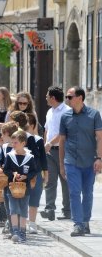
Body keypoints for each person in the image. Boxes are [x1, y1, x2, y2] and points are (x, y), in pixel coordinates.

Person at [59, 86, 102, 237]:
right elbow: (62, 141)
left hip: (90, 161)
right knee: (75, 193)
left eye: (70, 97)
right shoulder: (65, 117)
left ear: (80, 98)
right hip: (71, 161)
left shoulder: (94, 115)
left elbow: (99, 138)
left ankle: (85, 221)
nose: (67, 100)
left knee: (88, 193)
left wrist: (99, 158)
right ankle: (78, 224)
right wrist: (61, 165)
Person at [41, 86, 71, 221]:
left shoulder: (67, 112)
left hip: (63, 150)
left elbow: (63, 134)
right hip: (49, 151)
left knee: (65, 180)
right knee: (50, 180)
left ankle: (67, 211)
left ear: (53, 98)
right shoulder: (49, 112)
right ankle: (49, 209)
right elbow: (47, 130)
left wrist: (50, 143)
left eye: (47, 96)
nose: (46, 98)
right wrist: (45, 143)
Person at [3, 130, 37, 243]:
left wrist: (26, 176)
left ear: (23, 143)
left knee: (23, 210)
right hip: (11, 188)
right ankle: (15, 231)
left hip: (25, 188)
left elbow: (34, 171)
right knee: (13, 209)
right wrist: (13, 174)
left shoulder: (30, 157)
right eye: (12, 142)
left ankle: (23, 232)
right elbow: (6, 169)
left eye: (16, 142)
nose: (13, 145)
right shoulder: (10, 156)